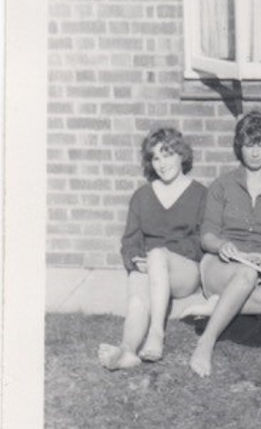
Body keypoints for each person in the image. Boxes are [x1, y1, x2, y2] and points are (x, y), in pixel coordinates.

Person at [188, 111, 261, 377]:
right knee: (246, 273)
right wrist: (222, 245)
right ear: (239, 147)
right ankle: (206, 342)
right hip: (222, 264)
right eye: (249, 145)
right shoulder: (222, 185)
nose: (255, 153)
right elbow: (207, 235)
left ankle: (220, 306)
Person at [98, 128, 207, 370]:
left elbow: (201, 241)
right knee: (138, 298)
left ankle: (156, 333)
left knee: (157, 253)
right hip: (149, 266)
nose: (162, 163)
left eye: (167, 155)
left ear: (182, 156)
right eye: (156, 158)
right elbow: (130, 239)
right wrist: (137, 261)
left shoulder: (200, 194)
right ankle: (127, 351)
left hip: (183, 272)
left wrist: (161, 257)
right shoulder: (142, 195)